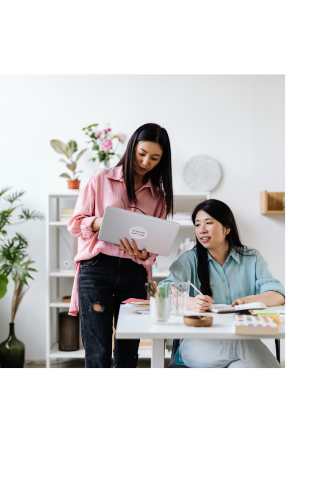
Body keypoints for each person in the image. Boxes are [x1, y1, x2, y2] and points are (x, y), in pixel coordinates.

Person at [67, 123, 174, 368]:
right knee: (98, 352)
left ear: (162, 161)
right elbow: (75, 225)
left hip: (134, 274)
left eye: (155, 158)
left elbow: (154, 247)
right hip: (96, 269)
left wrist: (145, 253)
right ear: (132, 147)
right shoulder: (101, 178)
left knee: (128, 354)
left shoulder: (159, 196)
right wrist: (101, 223)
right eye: (142, 153)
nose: (146, 162)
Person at [159, 199, 284, 368]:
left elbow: (277, 294)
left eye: (208, 223)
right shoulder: (189, 259)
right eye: (197, 224)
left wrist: (250, 300)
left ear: (227, 228)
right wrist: (190, 302)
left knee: (243, 366)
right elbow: (163, 290)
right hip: (197, 344)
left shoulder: (251, 258)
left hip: (239, 340)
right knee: (243, 343)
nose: (201, 230)